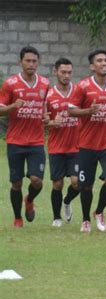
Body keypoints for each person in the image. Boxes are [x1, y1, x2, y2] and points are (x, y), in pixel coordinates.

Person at [68, 49, 106, 233]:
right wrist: (88, 111)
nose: (104, 63)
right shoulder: (83, 86)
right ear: (92, 66)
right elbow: (71, 110)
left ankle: (99, 211)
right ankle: (85, 219)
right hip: (87, 144)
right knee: (85, 185)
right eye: (99, 61)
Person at [0, 46, 49, 227]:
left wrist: (46, 116)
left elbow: (45, 107)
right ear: (20, 62)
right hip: (15, 141)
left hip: (36, 142)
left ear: (38, 62)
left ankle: (29, 200)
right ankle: (17, 217)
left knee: (37, 181)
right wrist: (12, 107)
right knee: (17, 183)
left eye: (34, 61)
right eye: (27, 61)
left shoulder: (44, 83)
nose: (31, 64)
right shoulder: (11, 84)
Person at [44, 57, 80, 226]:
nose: (66, 75)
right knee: (57, 184)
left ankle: (67, 201)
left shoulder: (78, 91)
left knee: (77, 182)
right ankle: (56, 217)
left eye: (69, 72)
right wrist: (52, 123)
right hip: (56, 147)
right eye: (63, 72)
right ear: (55, 72)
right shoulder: (48, 95)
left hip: (76, 146)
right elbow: (42, 121)